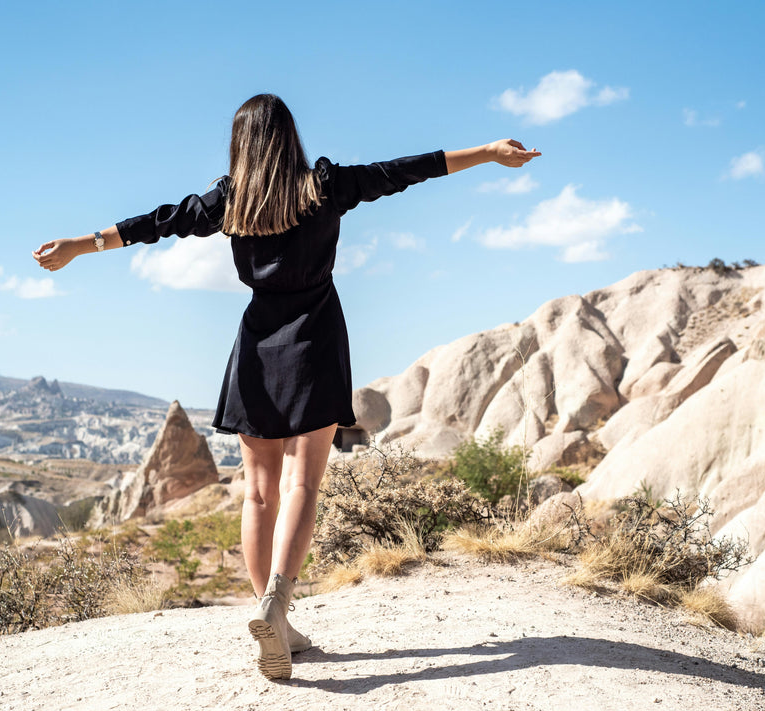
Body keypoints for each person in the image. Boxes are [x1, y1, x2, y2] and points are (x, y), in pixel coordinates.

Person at [33, 93, 540, 679]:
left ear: (240, 144)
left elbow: (157, 222)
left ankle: (271, 615)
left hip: (256, 345)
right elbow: (407, 170)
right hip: (316, 338)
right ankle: (278, 606)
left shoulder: (230, 201)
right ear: (289, 137)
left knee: (258, 492)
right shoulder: (323, 186)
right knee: (303, 482)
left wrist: (78, 245)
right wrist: (488, 152)